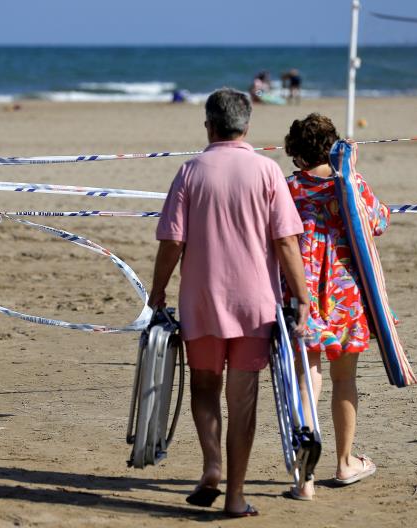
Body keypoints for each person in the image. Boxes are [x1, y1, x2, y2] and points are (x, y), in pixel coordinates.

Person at [149, 88, 310, 517]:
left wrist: (157, 289)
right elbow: (286, 242)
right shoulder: (268, 171)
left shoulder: (189, 172)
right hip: (255, 305)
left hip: (202, 301)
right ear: (247, 127)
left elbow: (172, 241)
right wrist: (304, 298)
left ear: (209, 126)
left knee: (204, 386)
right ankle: (236, 496)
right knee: (243, 401)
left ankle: (212, 465)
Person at [283, 113, 386, 500]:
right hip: (346, 292)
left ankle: (304, 479)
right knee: (345, 379)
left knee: (307, 379)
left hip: (302, 292)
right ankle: (344, 463)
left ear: (297, 153)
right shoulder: (350, 184)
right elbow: (378, 221)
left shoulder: (289, 187)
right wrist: (351, 173)